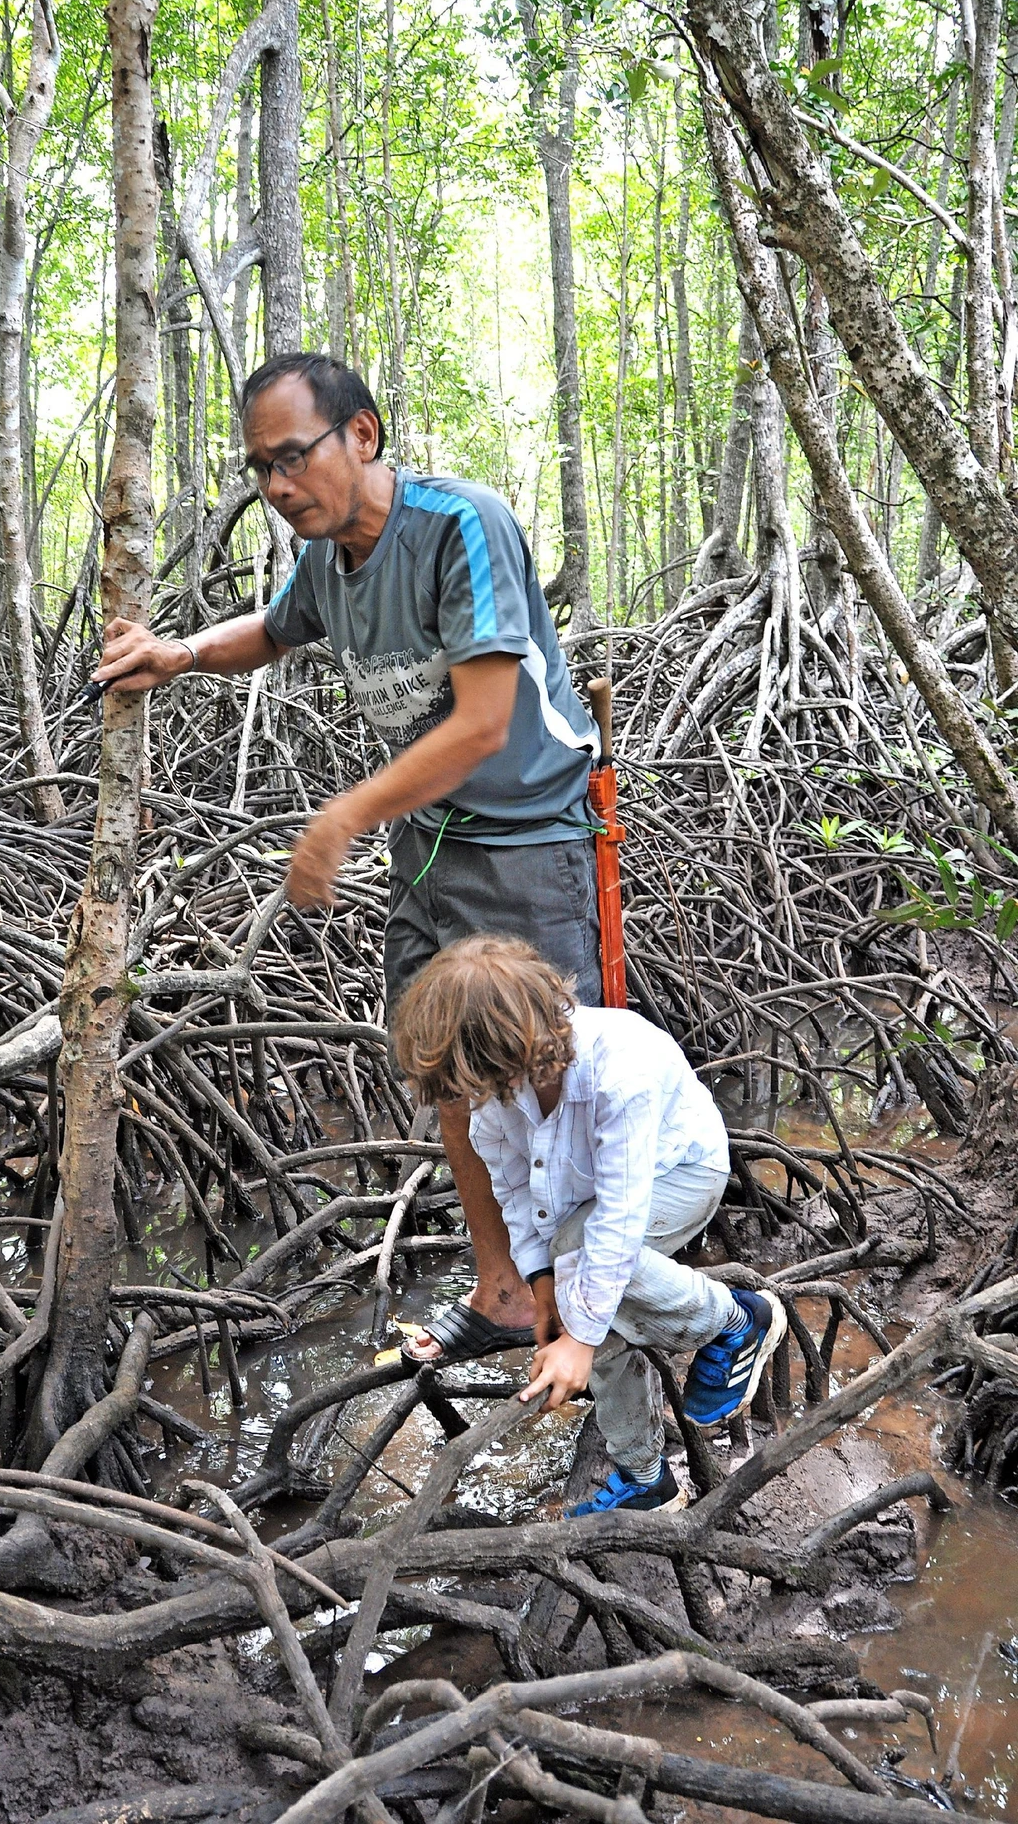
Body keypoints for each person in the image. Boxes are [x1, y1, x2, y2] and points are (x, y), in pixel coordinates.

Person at [93, 353, 603, 1366]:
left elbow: (485, 723)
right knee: (448, 1076)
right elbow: (277, 630)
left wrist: (339, 822)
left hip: (527, 844)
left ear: (360, 436)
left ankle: (597, 1326)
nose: (279, 489)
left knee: (560, 1088)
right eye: (260, 470)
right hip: (429, 851)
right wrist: (180, 653)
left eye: (294, 457)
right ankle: (505, 1293)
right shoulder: (328, 560)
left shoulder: (461, 524)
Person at [391, 934, 786, 1514]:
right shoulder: (492, 1099)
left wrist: (578, 1340)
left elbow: (621, 1218)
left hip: (681, 1174)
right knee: (578, 1288)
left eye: (469, 1079)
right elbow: (515, 1196)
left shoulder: (618, 1068)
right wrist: (545, 1295)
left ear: (502, 1051)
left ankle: (737, 1319)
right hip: (584, 1205)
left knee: (585, 1263)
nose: (466, 1098)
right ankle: (646, 1476)